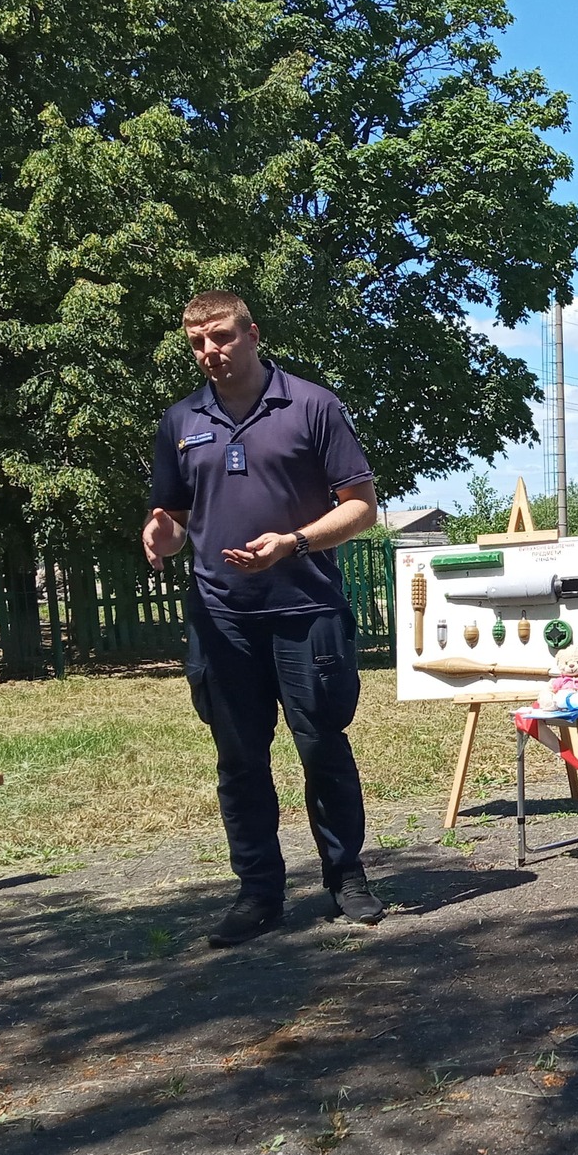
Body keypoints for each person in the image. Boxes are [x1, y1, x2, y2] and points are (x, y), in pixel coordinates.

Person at [143, 291, 385, 946]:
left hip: (306, 610)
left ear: (252, 334)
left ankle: (346, 877)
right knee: (240, 759)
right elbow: (174, 519)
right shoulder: (180, 421)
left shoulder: (312, 406)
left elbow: (361, 507)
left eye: (221, 337)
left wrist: (294, 542)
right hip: (221, 618)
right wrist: (161, 534)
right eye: (198, 343)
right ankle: (258, 894)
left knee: (322, 747)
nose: (210, 352)